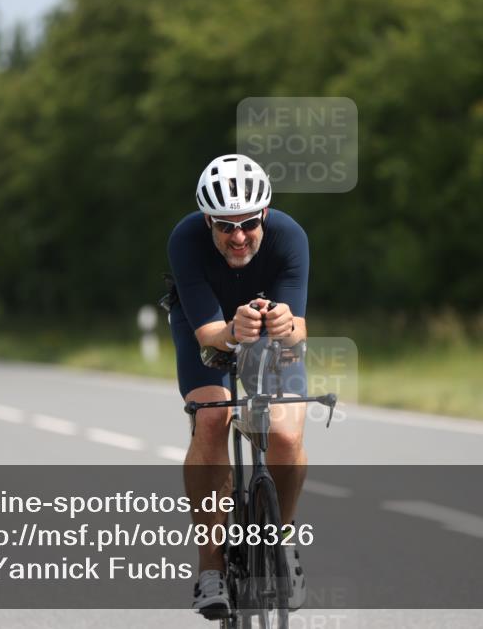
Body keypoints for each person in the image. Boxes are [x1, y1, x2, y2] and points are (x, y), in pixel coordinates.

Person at [168, 154, 310, 618]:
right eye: (225, 226)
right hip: (207, 328)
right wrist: (232, 330)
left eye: (248, 223)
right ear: (207, 220)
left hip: (270, 332)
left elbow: (300, 328)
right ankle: (210, 567)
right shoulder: (186, 240)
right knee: (212, 419)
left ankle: (282, 539)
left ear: (264, 214)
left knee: (286, 434)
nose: (239, 236)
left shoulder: (290, 237)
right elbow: (209, 337)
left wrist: (286, 326)